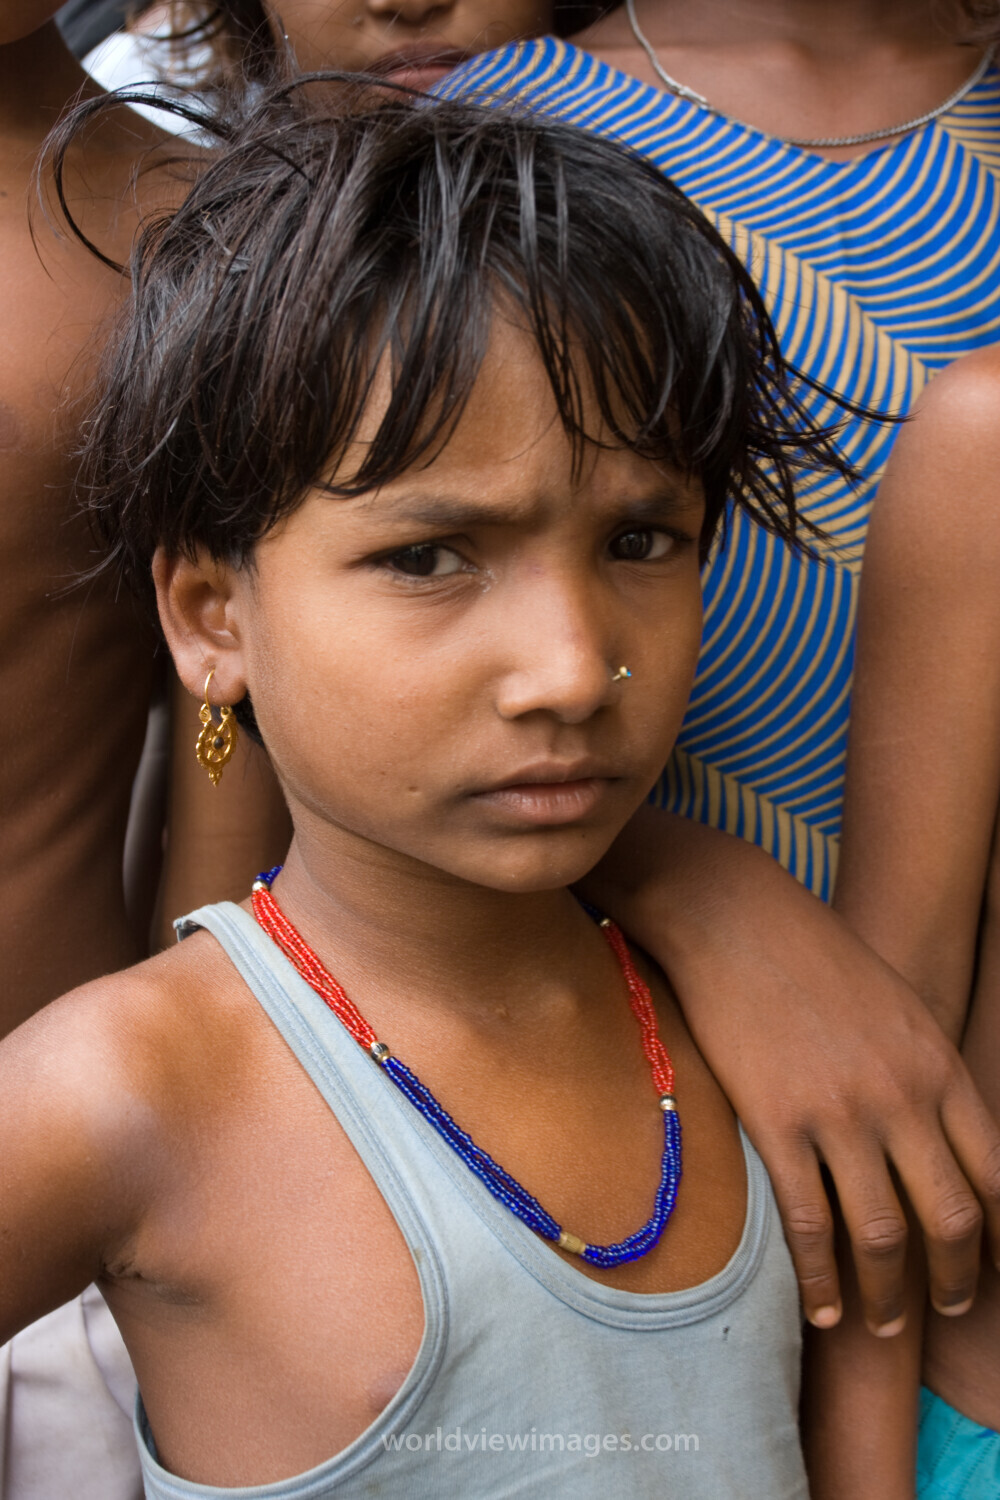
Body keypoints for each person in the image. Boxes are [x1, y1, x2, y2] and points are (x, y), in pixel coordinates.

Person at [0, 83, 890, 1496]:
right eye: (431, 557)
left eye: (644, 540)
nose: (570, 664)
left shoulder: (737, 1035)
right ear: (210, 617)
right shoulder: (125, 1092)